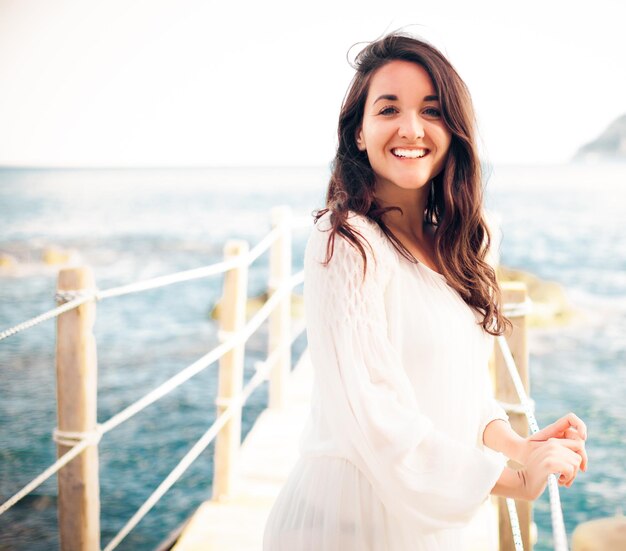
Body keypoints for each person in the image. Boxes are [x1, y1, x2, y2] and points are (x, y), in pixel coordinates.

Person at [263, 32, 588, 550]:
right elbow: (376, 418)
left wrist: (521, 448)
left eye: (431, 111)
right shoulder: (346, 241)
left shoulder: (457, 246)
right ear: (360, 134)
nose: (411, 128)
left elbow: (459, 392)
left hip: (434, 527)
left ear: (453, 131)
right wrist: (513, 482)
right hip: (351, 525)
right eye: (388, 108)